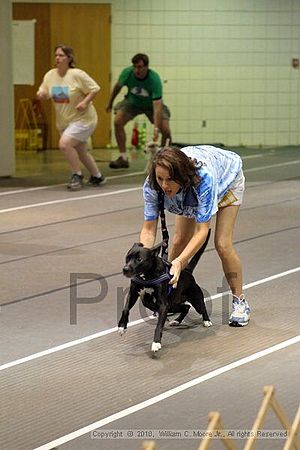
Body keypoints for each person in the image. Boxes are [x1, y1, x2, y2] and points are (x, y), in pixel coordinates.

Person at [140, 145, 251, 327]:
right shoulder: (153, 185)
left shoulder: (203, 180)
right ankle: (171, 296)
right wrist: (143, 260)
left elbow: (202, 231)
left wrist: (180, 262)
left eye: (169, 179)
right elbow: (148, 229)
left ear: (181, 176)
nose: (165, 185)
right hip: (188, 189)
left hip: (227, 181)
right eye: (161, 178)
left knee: (222, 244)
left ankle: (240, 302)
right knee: (179, 240)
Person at [37, 45, 105, 190]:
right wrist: (41, 94)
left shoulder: (76, 74)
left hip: (84, 119)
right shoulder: (50, 75)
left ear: (69, 58)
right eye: (56, 55)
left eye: (61, 55)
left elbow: (95, 88)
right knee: (80, 150)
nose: (57, 58)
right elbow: (44, 90)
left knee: (65, 144)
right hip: (64, 121)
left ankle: (77, 175)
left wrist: (84, 102)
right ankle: (97, 176)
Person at [106, 53, 172, 169]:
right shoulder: (127, 73)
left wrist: (156, 128)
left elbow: (157, 106)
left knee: (165, 129)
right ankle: (123, 157)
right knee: (117, 121)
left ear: (146, 67)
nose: (137, 70)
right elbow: (117, 87)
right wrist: (110, 102)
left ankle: (166, 159)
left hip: (151, 105)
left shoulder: (154, 79)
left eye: (140, 67)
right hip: (133, 102)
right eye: (135, 67)